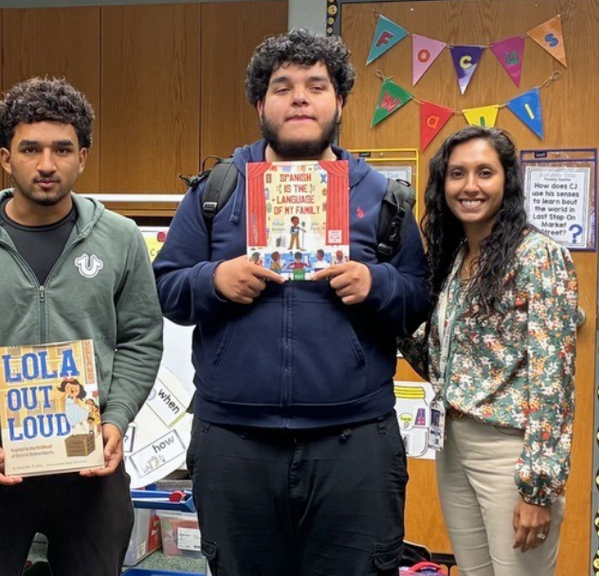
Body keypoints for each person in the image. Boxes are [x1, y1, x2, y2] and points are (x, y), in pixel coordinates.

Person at [153, 30, 431, 575]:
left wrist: (377, 285)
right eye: (282, 87)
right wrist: (214, 280)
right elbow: (167, 288)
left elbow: (418, 297)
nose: (299, 97)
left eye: (315, 85)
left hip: (354, 444)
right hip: (233, 440)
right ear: (261, 104)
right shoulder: (216, 191)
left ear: (340, 102)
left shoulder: (383, 197)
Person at [0, 77, 163, 576]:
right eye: (30, 149)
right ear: (4, 156)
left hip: (90, 462)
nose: (47, 164)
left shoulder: (120, 239)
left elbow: (141, 340)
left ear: (83, 156)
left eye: (62, 149)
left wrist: (116, 418)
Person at [398, 126, 577, 576]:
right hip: (454, 446)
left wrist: (537, 489)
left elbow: (552, 378)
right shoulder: (458, 256)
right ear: (443, 185)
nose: (470, 186)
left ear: (507, 182)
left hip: (511, 453)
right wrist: (385, 310)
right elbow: (445, 363)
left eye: (484, 173)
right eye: (457, 174)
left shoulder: (537, 255)